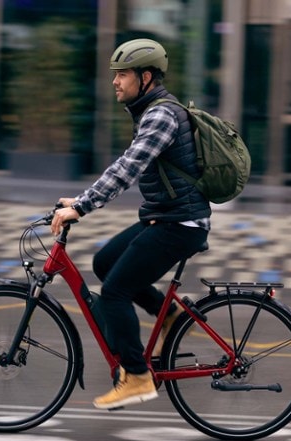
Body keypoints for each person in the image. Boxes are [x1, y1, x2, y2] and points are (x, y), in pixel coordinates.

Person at [50, 39, 211, 410]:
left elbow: (127, 169)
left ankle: (137, 377)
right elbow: (127, 162)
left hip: (180, 224)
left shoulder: (160, 116)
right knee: (105, 264)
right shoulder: (150, 111)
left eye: (122, 74)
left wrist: (84, 207)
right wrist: (80, 200)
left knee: (115, 294)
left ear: (146, 77)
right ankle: (169, 315)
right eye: (115, 75)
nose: (115, 82)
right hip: (167, 217)